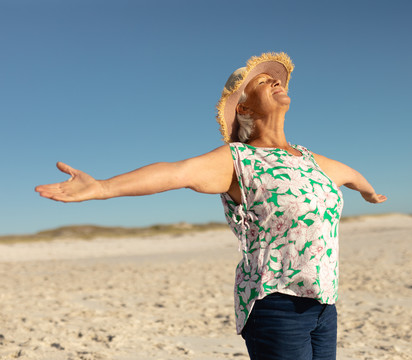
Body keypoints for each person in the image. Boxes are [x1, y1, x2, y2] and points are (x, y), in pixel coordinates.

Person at [35, 52, 387, 360]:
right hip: (276, 304)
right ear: (244, 107)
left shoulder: (310, 160)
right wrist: (102, 187)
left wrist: (369, 193)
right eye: (263, 82)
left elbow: (350, 175)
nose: (276, 83)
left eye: (276, 80)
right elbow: (176, 173)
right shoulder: (239, 159)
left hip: (324, 301)